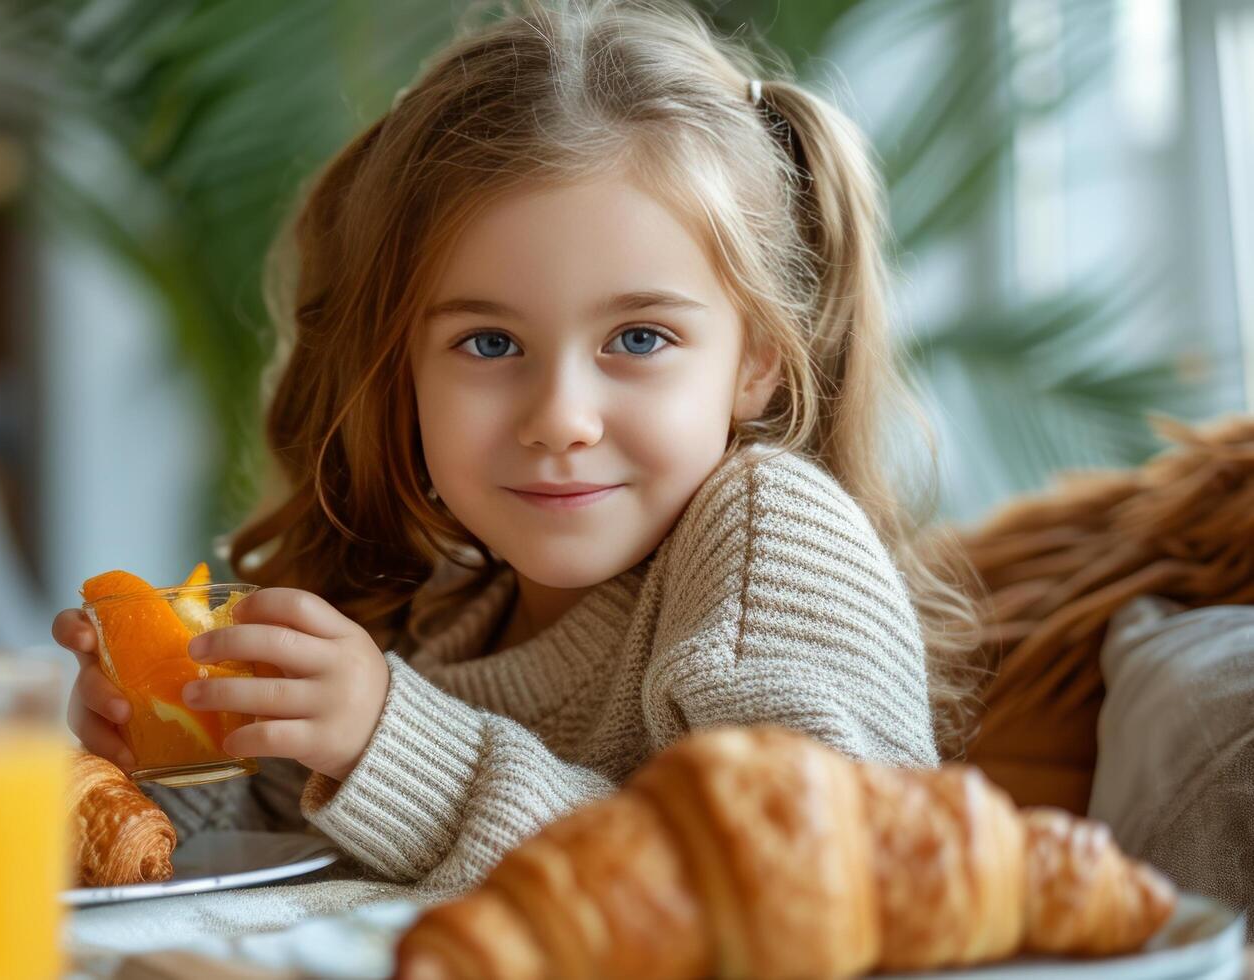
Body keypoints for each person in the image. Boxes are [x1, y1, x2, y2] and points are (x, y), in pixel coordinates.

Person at [53, 0, 980, 896]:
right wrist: (168, 749)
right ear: (401, 367)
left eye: (640, 338)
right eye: (489, 345)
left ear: (757, 363)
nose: (560, 418)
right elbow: (299, 856)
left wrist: (393, 744)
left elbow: (810, 882)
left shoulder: (768, 535)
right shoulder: (445, 606)